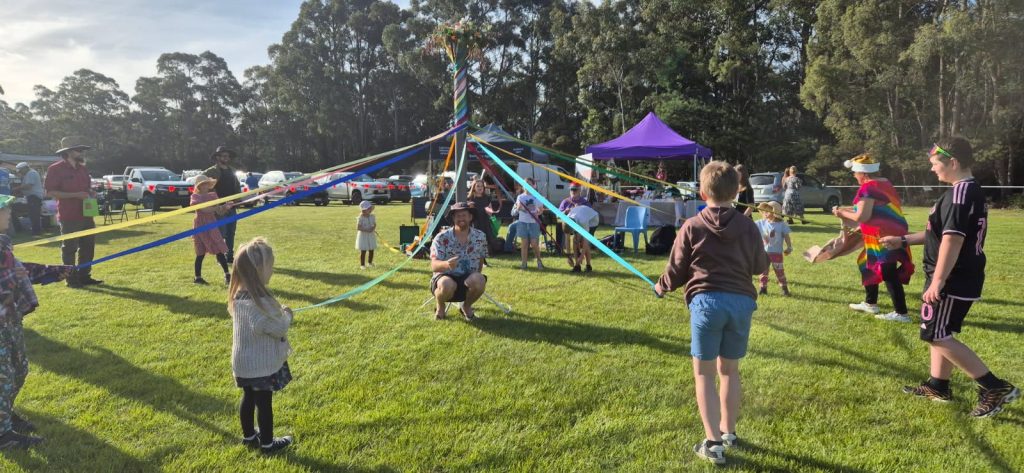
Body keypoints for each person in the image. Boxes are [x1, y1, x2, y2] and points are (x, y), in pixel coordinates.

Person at [880, 138, 1018, 417]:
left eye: (935, 164)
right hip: (952, 276)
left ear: (952, 163)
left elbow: (952, 241)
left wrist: (938, 281)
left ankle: (994, 387)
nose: (932, 169)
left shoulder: (960, 194)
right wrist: (903, 240)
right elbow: (938, 234)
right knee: (938, 333)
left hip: (952, 278)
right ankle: (938, 385)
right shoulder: (962, 192)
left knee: (936, 334)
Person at [655, 161, 767, 466]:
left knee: (704, 374)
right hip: (741, 304)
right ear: (737, 191)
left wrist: (662, 286)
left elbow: (676, 269)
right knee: (729, 371)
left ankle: (715, 443)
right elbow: (760, 266)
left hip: (707, 304)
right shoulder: (748, 225)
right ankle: (728, 432)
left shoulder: (692, 225)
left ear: (703, 192)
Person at [0, 194, 72, 449]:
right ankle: (3, 435)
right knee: (3, 377)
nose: (9, 212)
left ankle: (5, 414)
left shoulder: (4, 245)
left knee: (19, 369)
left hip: (10, 320)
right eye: (4, 209)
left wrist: (51, 271)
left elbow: (21, 270)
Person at [229, 237, 295, 454]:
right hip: (261, 365)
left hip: (243, 363)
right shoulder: (261, 304)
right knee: (264, 403)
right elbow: (279, 329)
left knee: (248, 397)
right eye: (271, 267)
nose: (272, 271)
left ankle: (249, 437)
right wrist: (287, 315)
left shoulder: (238, 296)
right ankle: (267, 444)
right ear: (259, 270)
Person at [832, 154, 914, 323]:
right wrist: (847, 209)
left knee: (887, 271)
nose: (854, 176)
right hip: (885, 232)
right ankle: (871, 303)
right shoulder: (883, 183)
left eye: (855, 173)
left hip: (883, 234)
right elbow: (868, 208)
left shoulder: (867, 188)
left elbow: (862, 216)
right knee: (866, 264)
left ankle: (901, 313)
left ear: (863, 174)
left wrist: (840, 212)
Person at [44, 136, 102, 288]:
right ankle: (71, 280)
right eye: (79, 149)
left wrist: (91, 192)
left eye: (82, 149)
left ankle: (84, 276)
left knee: (88, 246)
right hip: (69, 215)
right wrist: (75, 195)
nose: (82, 152)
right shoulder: (55, 169)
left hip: (87, 213)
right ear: (68, 152)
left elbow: (87, 187)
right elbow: (50, 192)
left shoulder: (82, 168)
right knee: (69, 248)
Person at [429, 202, 488, 321]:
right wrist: (446, 264)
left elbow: (481, 259)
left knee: (480, 279)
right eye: (458, 216)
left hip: (467, 278)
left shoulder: (480, 236)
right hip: (445, 277)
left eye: (464, 215)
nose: (461, 218)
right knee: (447, 284)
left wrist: (476, 276)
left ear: (470, 217)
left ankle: (466, 307)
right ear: (453, 218)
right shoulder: (441, 237)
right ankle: (440, 306)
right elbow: (434, 266)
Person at [190, 176, 231, 285]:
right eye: (203, 184)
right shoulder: (195, 196)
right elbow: (204, 209)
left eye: (207, 183)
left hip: (211, 224)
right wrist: (217, 208)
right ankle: (197, 278)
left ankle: (227, 275)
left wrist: (225, 207)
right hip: (200, 225)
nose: (206, 186)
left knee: (219, 250)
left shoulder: (213, 196)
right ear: (199, 186)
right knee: (200, 252)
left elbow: (219, 212)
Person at [204, 146, 242, 263]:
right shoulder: (211, 171)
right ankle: (220, 256)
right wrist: (216, 204)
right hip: (219, 208)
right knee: (221, 233)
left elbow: (237, 187)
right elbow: (203, 186)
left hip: (232, 206)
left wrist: (237, 200)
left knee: (231, 232)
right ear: (217, 157)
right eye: (224, 156)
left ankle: (229, 256)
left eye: (228, 156)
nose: (226, 158)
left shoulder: (231, 171)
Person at [755, 201, 792, 296]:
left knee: (779, 271)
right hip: (764, 253)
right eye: (764, 211)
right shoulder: (761, 223)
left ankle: (784, 289)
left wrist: (789, 247)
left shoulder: (781, 224)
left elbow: (786, 236)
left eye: (768, 211)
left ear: (775, 212)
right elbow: (750, 225)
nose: (765, 214)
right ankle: (763, 288)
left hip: (776, 253)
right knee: (763, 271)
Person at [559, 184, 595, 271]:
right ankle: (577, 266)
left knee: (584, 244)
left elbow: (590, 214)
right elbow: (559, 214)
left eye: (575, 189)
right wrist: (565, 211)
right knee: (574, 242)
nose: (573, 191)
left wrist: (580, 209)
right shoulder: (565, 201)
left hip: (584, 226)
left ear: (580, 191)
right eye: (571, 189)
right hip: (571, 227)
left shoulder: (585, 202)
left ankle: (588, 265)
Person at [512, 178, 544, 270]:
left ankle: (539, 261)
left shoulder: (537, 196)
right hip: (522, 222)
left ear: (534, 186)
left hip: (534, 223)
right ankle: (524, 264)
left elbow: (541, 210)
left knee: (534, 244)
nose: (527, 186)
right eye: (525, 184)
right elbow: (519, 207)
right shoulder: (520, 197)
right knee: (524, 244)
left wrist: (536, 213)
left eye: (530, 184)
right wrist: (520, 209)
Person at [467, 179, 497, 261]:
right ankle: (474, 256)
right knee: (474, 240)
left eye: (482, 186)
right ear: (474, 187)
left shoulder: (487, 198)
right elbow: (467, 212)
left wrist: (489, 211)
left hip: (485, 221)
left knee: (485, 239)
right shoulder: (470, 198)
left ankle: (483, 258)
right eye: (478, 186)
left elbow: (491, 212)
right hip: (475, 222)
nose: (480, 188)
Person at [14, 163, 44, 236]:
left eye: (21, 170)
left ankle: (36, 232)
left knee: (34, 215)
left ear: (25, 168)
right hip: (32, 196)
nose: (20, 172)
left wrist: (16, 188)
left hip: (34, 196)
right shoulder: (29, 173)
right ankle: (36, 230)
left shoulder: (31, 173)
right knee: (33, 214)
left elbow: (29, 186)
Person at [356, 201, 377, 269]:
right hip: (363, 236)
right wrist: (367, 230)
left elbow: (374, 224)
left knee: (371, 249)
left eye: (370, 209)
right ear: (364, 210)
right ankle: (362, 265)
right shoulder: (360, 217)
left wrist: (373, 228)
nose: (370, 210)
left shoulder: (372, 216)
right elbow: (358, 227)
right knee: (363, 250)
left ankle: (370, 263)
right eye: (369, 209)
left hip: (371, 235)